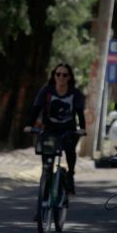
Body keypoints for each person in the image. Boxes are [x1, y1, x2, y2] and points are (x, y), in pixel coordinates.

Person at [23, 63, 87, 194]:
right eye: (58, 74)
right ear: (54, 76)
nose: (61, 77)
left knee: (70, 151)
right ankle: (44, 195)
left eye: (64, 75)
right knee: (47, 163)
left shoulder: (75, 93)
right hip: (50, 130)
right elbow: (36, 109)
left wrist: (82, 128)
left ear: (69, 77)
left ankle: (70, 176)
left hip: (68, 130)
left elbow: (80, 113)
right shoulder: (47, 91)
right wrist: (29, 125)